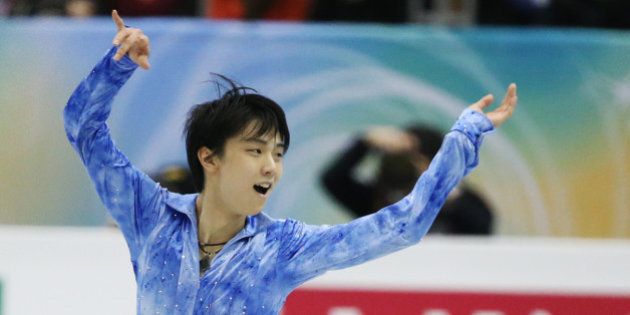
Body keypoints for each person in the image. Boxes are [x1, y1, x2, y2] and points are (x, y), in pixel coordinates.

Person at [63, 10, 517, 314]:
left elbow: (403, 226)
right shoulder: (150, 215)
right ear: (210, 157)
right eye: (256, 151)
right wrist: (116, 64)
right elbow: (84, 130)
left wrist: (464, 136)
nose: (271, 167)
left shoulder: (284, 247)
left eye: (278, 154)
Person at [321, 125, 494, 235]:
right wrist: (364, 143)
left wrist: (440, 184)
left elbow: (481, 227)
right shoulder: (380, 203)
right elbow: (333, 180)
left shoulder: (460, 201)